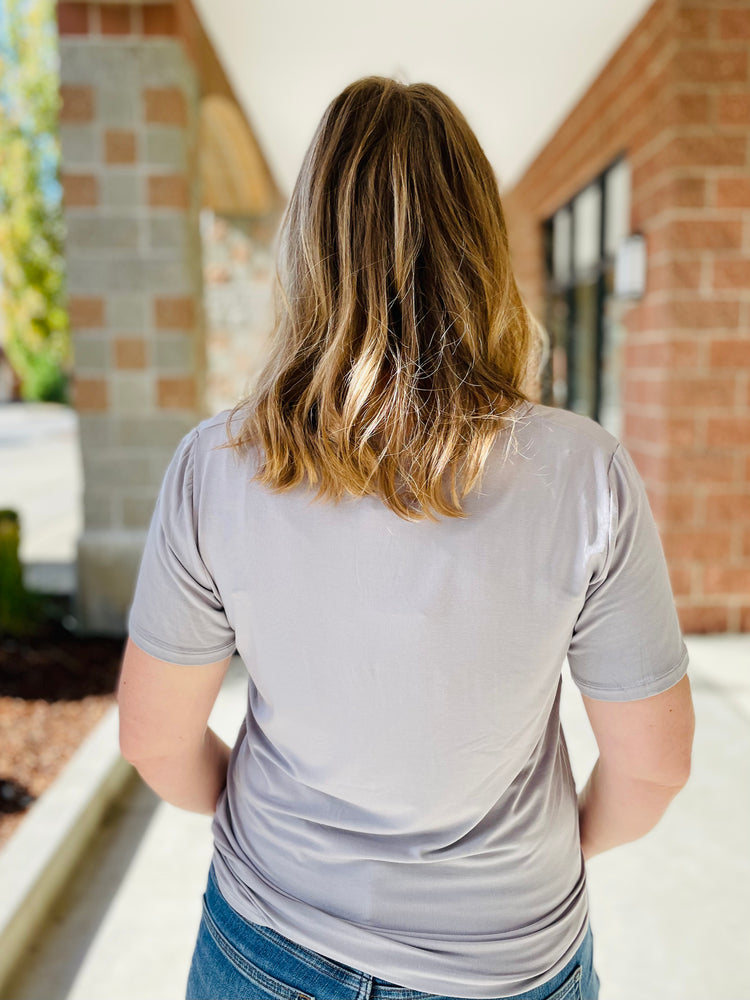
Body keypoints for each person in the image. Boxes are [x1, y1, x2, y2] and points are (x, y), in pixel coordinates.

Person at [117, 76, 695, 1000]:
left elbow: (155, 741)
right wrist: (555, 846)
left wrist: (281, 839)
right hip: (510, 959)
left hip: (267, 946)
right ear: (480, 241)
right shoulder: (586, 472)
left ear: (309, 244)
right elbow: (655, 766)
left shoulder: (216, 466)